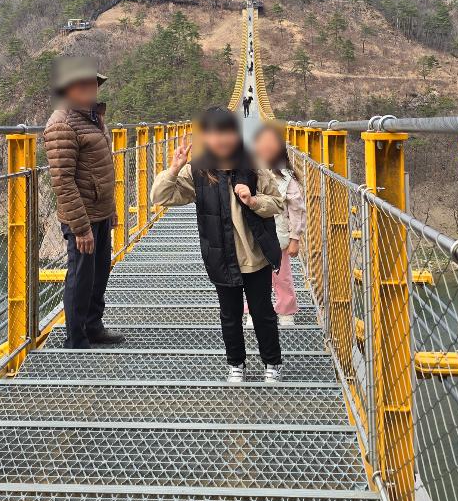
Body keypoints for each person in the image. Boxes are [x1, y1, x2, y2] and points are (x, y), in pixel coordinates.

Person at [151, 107, 285, 382]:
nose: (220, 139)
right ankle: (236, 363)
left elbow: (277, 204)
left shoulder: (254, 166)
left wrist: (253, 201)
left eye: (226, 131)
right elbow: (160, 196)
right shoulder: (198, 172)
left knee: (263, 314)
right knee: (230, 315)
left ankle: (272, 362)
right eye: (212, 133)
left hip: (256, 257)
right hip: (221, 256)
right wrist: (174, 169)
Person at [44, 55, 124, 349]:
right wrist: (80, 228)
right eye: (81, 83)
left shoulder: (92, 117)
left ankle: (93, 327)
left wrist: (111, 209)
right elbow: (63, 181)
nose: (89, 87)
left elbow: (103, 168)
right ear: (67, 88)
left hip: (100, 211)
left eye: (92, 82)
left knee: (99, 272)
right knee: (80, 277)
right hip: (82, 217)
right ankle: (76, 338)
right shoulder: (62, 124)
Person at [250, 125, 303, 325]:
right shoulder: (248, 171)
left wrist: (295, 238)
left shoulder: (286, 177)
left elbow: (297, 209)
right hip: (253, 236)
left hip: (278, 237)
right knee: (252, 276)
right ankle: (252, 311)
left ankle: (285, 311)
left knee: (281, 277)